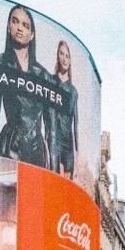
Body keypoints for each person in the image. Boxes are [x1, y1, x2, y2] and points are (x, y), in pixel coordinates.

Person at [0, 4, 57, 171]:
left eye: (25, 25)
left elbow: (51, 130)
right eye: (15, 22)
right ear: (8, 26)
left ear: (32, 35)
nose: (19, 28)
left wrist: (55, 171)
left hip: (37, 152)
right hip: (9, 146)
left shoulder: (44, 76)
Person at [53, 39, 79, 178]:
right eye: (62, 54)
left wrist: (77, 150)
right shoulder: (51, 81)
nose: (64, 58)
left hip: (68, 140)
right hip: (54, 138)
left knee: (68, 182)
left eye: (67, 56)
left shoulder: (73, 91)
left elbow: (75, 122)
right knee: (55, 178)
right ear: (58, 56)